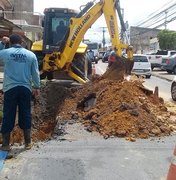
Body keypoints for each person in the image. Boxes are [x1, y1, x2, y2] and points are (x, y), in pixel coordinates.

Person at [0, 34, 40, 151]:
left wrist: (2, 43)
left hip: (10, 89)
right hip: (25, 89)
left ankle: (6, 144)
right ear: (22, 42)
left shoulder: (6, 53)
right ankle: (28, 143)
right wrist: (36, 87)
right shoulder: (31, 55)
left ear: (11, 42)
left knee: (8, 114)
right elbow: (35, 73)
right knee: (26, 113)